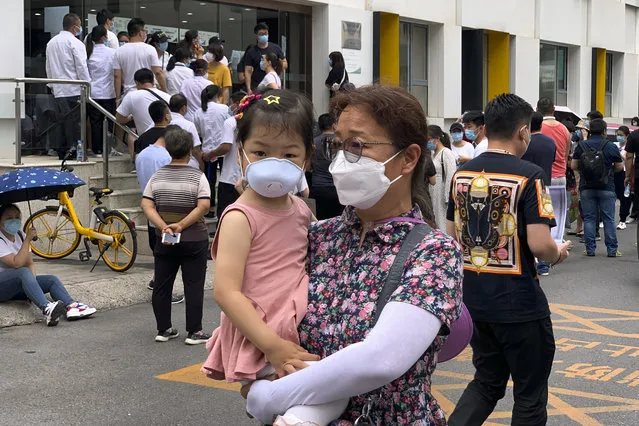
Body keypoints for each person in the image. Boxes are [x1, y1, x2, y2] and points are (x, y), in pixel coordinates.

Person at [241, 86, 462, 425]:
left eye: (357, 145)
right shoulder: (315, 236)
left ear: (408, 158)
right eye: (339, 144)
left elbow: (380, 360)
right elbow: (262, 308)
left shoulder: (434, 252)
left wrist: (267, 397)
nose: (342, 159)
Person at [446, 93, 572, 426]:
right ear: (522, 132)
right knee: (530, 395)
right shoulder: (530, 176)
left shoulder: (461, 175)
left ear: (485, 129)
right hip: (520, 305)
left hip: (474, 302)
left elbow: (449, 235)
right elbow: (540, 244)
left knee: (486, 382)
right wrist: (557, 254)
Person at [140, 127, 211, 345]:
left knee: (162, 283)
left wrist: (163, 225)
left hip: (165, 238)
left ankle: (163, 329)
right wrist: (182, 224)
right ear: (190, 150)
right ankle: (194, 331)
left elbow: (146, 204)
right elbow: (204, 206)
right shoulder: (198, 176)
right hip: (194, 238)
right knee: (193, 284)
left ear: (169, 150)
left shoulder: (157, 175)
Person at [0, 204, 96, 326]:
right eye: (9, 218)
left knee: (51, 280)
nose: (14, 220)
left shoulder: (21, 235)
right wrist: (28, 240)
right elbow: (16, 263)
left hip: (17, 286)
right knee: (22, 272)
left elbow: (29, 263)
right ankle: (46, 308)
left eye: (17, 217)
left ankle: (71, 306)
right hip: (2, 288)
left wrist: (32, 288)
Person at [572, 118, 624, 257]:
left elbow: (574, 166)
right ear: (604, 131)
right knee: (609, 218)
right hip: (607, 187)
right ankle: (612, 250)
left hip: (586, 187)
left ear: (589, 131)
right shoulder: (610, 146)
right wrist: (609, 172)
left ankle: (590, 249)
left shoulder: (581, 146)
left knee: (589, 218)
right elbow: (619, 166)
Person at [45, 13, 91, 160]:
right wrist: (87, 85)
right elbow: (81, 67)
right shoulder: (76, 43)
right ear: (75, 27)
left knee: (61, 122)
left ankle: (61, 151)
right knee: (75, 123)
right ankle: (74, 151)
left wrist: (51, 85)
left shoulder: (51, 43)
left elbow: (48, 67)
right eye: (79, 26)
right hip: (74, 88)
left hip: (58, 89)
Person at [521, 112, 557, 276]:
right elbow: (553, 160)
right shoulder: (550, 142)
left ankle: (528, 262)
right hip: (544, 187)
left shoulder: (525, 143)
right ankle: (544, 265)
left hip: (523, 186)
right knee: (543, 224)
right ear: (542, 124)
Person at [202, 91, 246, 218]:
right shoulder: (255, 123)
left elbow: (226, 147)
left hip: (230, 178)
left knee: (225, 216)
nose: (230, 107)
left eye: (231, 104)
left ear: (238, 104)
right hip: (249, 179)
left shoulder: (231, 122)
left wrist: (209, 155)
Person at [538, 97, 571, 246]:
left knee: (544, 213)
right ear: (554, 110)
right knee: (559, 212)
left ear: (538, 110)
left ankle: (546, 244)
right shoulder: (564, 129)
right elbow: (565, 154)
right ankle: (559, 242)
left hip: (545, 178)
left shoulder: (538, 128)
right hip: (561, 177)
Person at [116, 68, 171, 156]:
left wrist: (131, 117)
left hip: (147, 143)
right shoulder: (167, 96)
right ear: (153, 81)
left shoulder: (131, 96)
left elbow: (119, 118)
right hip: (169, 141)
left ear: (137, 83)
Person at [194, 85, 229, 217]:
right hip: (224, 149)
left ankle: (210, 208)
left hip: (207, 151)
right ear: (218, 95)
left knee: (210, 180)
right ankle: (224, 208)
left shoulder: (198, 112)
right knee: (225, 179)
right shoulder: (224, 109)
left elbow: (198, 133)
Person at [113, 18, 167, 102]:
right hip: (149, 93)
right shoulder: (150, 49)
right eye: (145, 31)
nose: (146, 33)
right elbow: (158, 72)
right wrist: (165, 92)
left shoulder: (119, 51)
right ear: (140, 33)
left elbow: (117, 76)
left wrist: (118, 98)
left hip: (129, 95)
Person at [86, 25, 116, 157]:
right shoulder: (112, 52)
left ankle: (97, 149)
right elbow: (116, 73)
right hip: (108, 92)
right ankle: (108, 148)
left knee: (95, 123)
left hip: (92, 93)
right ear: (104, 37)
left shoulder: (87, 52)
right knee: (109, 123)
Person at [310, 113, 344, 220]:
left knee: (321, 221)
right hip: (338, 187)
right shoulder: (341, 142)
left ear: (320, 126)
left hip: (318, 187)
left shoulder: (313, 143)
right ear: (334, 125)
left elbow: (308, 165)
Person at [244, 23, 287, 94]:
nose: (264, 35)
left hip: (272, 82)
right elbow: (248, 71)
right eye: (261, 34)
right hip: (257, 85)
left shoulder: (276, 48)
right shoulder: (252, 51)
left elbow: (285, 63)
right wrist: (249, 89)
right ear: (256, 36)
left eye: (265, 33)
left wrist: (275, 68)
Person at [428, 125, 456, 232]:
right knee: (435, 219)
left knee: (442, 221)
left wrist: (448, 197)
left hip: (442, 194)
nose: (428, 142)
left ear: (437, 139)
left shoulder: (446, 153)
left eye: (429, 139)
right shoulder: (432, 154)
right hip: (434, 193)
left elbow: (451, 175)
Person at [168, 94, 203, 169]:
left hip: (167, 163)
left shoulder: (162, 122)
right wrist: (202, 164)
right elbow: (195, 150)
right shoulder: (189, 125)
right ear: (184, 108)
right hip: (188, 165)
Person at [614, 126, 632, 229]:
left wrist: (619, 154)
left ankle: (622, 219)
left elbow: (628, 159)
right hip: (615, 172)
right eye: (618, 135)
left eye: (621, 135)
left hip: (625, 173)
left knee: (624, 197)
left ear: (627, 136)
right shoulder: (614, 145)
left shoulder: (629, 147)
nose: (619, 137)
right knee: (611, 197)